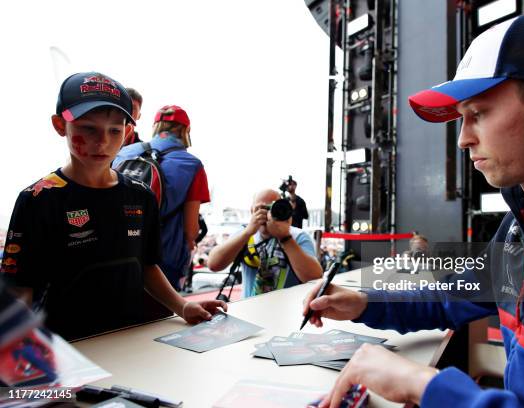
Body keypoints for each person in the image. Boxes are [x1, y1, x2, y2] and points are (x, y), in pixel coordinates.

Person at [304, 12, 524, 407]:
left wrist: (425, 386)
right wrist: (365, 301)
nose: (464, 139)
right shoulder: (521, 227)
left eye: (478, 114)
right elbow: (450, 295)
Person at [0, 72, 226, 341]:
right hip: (65, 346)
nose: (103, 141)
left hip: (130, 338)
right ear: (60, 125)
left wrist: (183, 306)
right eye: (88, 128)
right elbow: (20, 288)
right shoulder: (38, 198)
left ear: (128, 132)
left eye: (115, 130)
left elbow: (147, 267)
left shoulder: (140, 195)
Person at [114, 105, 211, 290]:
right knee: (161, 316)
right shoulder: (192, 164)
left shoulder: (123, 153)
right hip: (165, 258)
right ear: (186, 130)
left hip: (120, 251)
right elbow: (191, 229)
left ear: (156, 126)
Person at [208, 189, 322, 297]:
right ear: (252, 210)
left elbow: (314, 277)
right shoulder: (244, 234)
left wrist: (285, 237)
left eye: (272, 208)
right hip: (249, 308)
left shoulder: (298, 236)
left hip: (288, 312)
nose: (268, 214)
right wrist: (247, 233)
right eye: (262, 208)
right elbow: (214, 264)